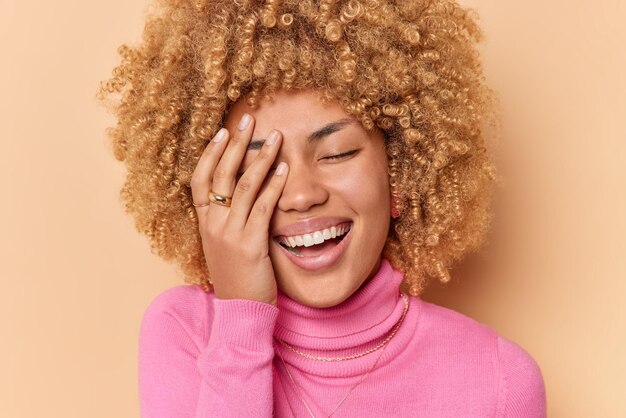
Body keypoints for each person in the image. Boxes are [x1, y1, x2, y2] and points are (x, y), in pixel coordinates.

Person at [99, 0, 547, 416]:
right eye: (260, 165)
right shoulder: (185, 332)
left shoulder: (499, 380)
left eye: (337, 153)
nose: (300, 195)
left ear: (402, 173)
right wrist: (240, 323)